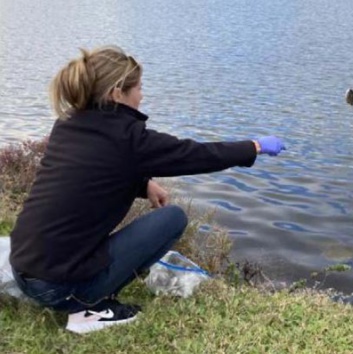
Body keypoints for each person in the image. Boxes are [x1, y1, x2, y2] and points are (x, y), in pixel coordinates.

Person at [9, 46, 286, 334]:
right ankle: (88, 310)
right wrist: (254, 146)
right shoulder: (128, 139)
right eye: (139, 88)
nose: (142, 96)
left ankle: (78, 293)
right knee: (172, 218)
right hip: (61, 289)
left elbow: (92, 173)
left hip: (24, 269)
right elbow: (196, 154)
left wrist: (143, 184)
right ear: (117, 93)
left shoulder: (68, 124)